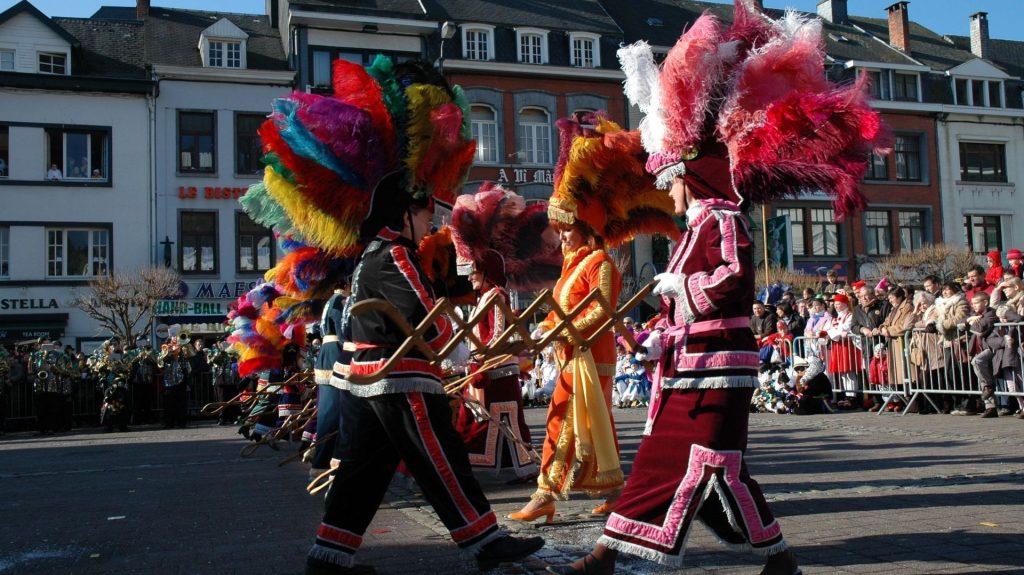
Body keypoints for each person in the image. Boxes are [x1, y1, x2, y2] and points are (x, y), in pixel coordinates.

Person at [510, 113, 677, 525]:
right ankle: (615, 490)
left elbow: (600, 309)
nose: (561, 237)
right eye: (560, 230)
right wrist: (547, 330)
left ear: (586, 228)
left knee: (561, 420)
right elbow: (562, 311)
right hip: (571, 351)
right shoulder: (572, 266)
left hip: (589, 353)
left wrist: (559, 331)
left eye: (567, 230)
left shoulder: (600, 262)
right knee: (590, 422)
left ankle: (545, 494)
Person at [449, 184, 562, 481]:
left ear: (486, 270)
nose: (470, 277)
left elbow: (498, 334)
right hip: (485, 368)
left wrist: (472, 353)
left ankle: (496, 468)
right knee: (484, 420)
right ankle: (498, 466)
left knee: (491, 421)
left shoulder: (495, 295)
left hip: (495, 368)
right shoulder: (487, 296)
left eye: (474, 271)